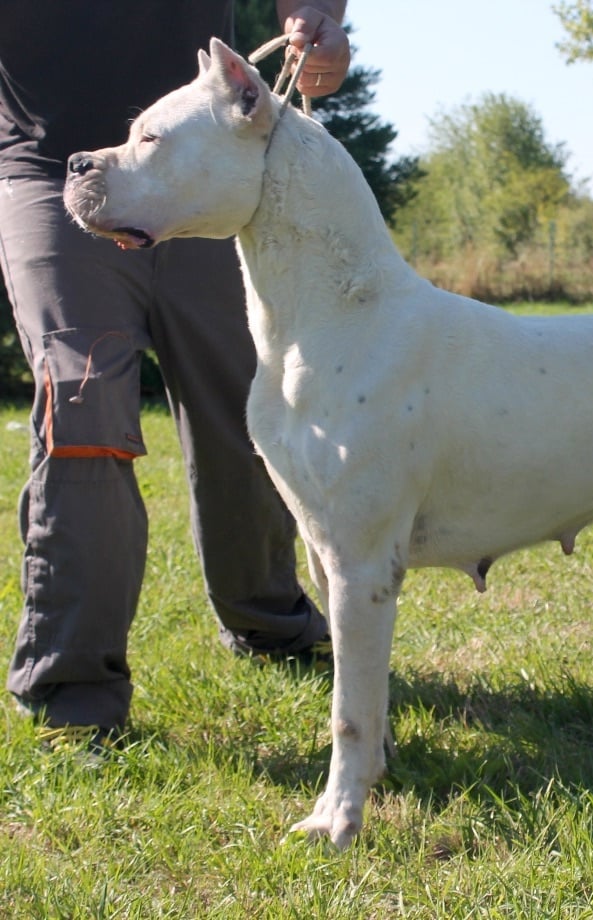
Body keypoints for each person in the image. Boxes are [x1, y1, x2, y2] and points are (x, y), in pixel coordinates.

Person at [0, 1, 350, 752]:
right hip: (55, 172)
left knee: (249, 404)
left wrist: (318, 17)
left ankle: (271, 622)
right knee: (82, 400)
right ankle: (74, 691)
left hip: (202, 169)